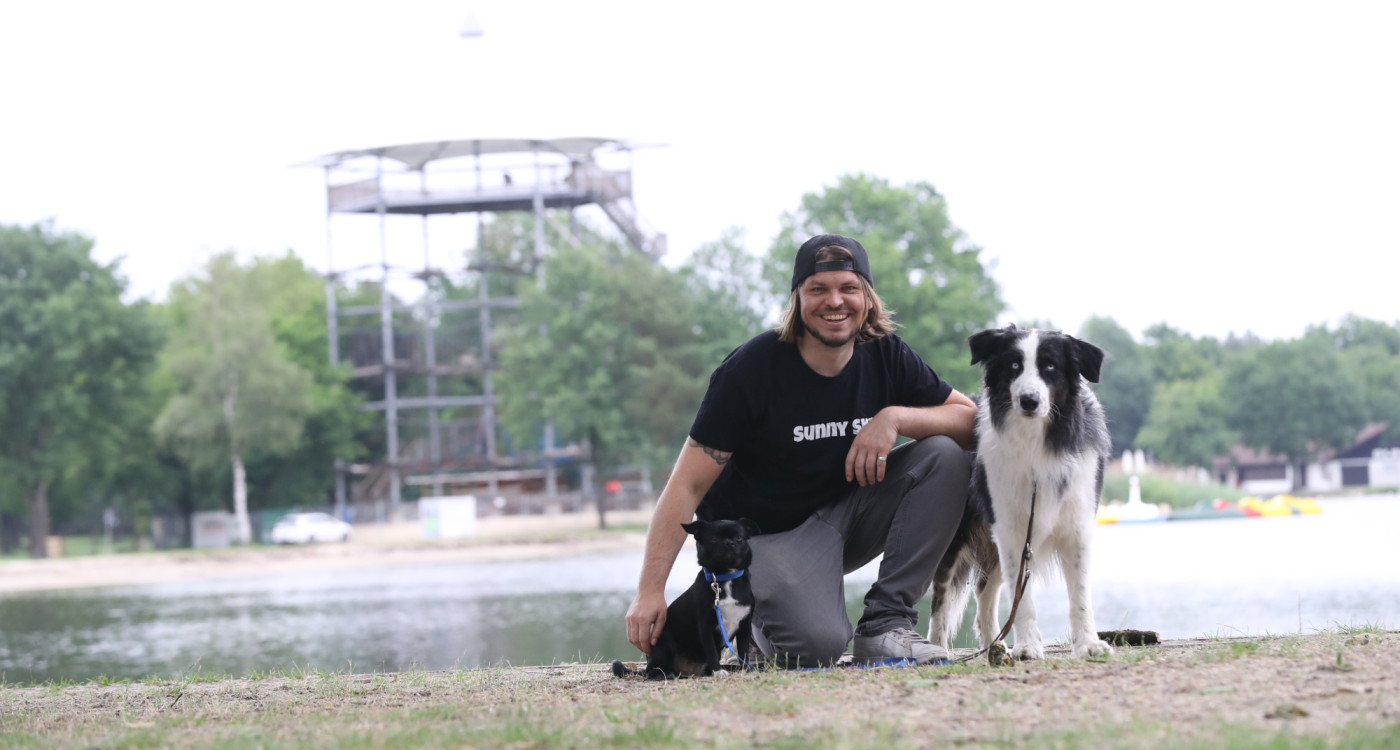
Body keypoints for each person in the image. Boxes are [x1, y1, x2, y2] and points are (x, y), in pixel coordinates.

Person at [624, 233, 977, 667]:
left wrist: (896, 419)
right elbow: (687, 486)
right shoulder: (750, 371)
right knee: (814, 649)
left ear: (867, 298)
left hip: (848, 516)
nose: (835, 302)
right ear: (798, 299)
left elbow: (970, 421)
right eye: (818, 289)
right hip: (768, 539)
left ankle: (886, 626)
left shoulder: (885, 353)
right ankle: (742, 626)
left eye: (848, 288)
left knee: (944, 454)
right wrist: (649, 591)